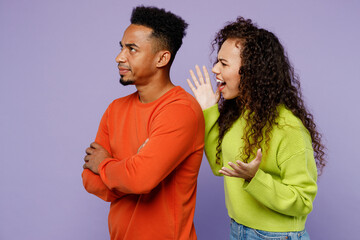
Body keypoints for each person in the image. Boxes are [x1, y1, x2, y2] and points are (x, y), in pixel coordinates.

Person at [187, 17, 325, 240]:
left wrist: (255, 178)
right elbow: (219, 165)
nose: (214, 69)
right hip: (238, 230)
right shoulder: (238, 115)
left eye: (223, 63)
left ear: (250, 71)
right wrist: (208, 110)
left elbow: (303, 201)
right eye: (217, 61)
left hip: (276, 236)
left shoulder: (289, 128)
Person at [82, 6, 205, 240]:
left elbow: (141, 180)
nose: (119, 57)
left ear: (162, 58)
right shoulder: (115, 109)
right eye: (121, 47)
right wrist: (130, 171)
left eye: (132, 49)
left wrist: (107, 166)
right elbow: (89, 179)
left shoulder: (181, 111)